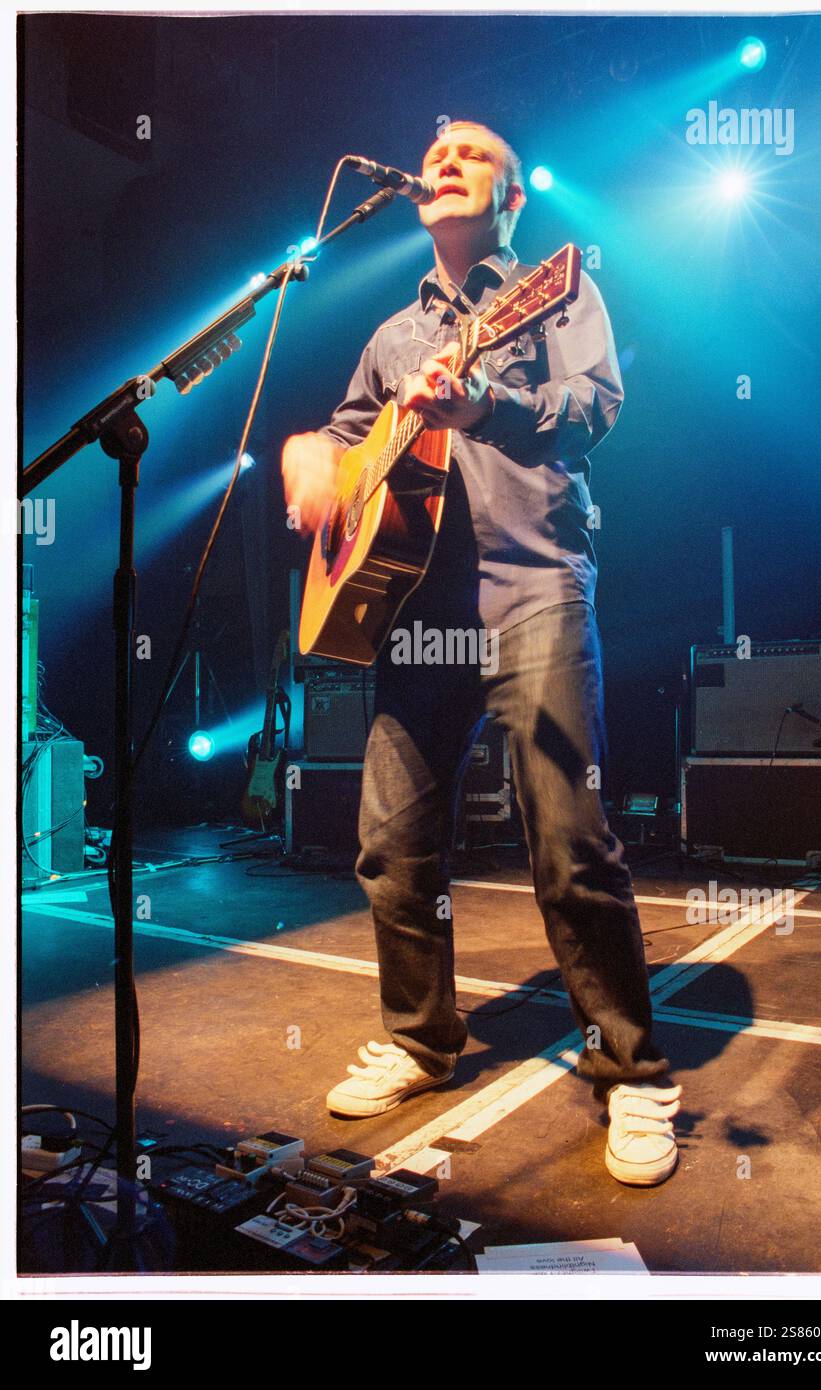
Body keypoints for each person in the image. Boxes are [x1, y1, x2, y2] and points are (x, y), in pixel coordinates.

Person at [281, 120, 682, 1186]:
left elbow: (594, 407)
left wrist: (484, 403)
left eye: (472, 154)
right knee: (392, 840)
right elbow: (342, 440)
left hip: (534, 580)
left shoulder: (550, 286)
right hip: (418, 604)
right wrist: (307, 460)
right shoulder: (390, 334)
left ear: (510, 201)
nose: (442, 158)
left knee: (568, 833)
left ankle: (633, 1069)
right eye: (434, 150)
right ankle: (420, 1038)